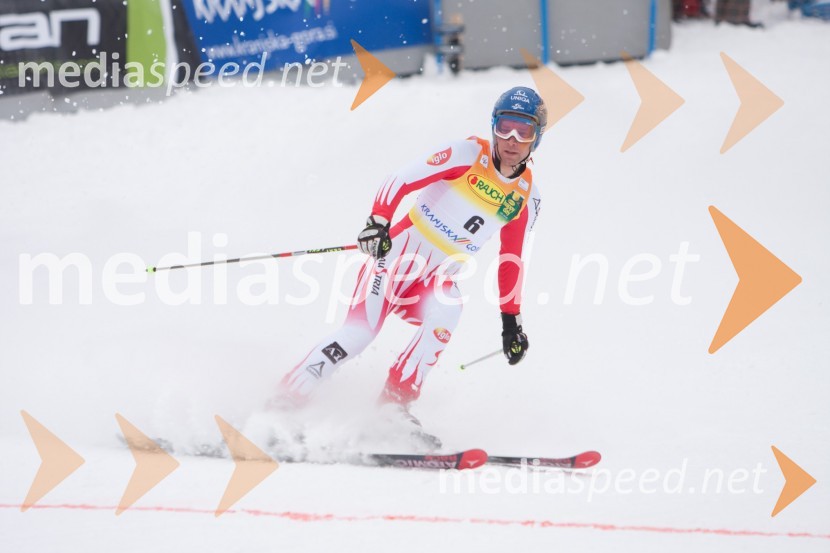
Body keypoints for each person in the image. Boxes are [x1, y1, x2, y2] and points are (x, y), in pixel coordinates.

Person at [277, 86, 546, 448]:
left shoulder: (527, 197)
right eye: (504, 127)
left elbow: (511, 259)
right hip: (393, 263)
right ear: (493, 126)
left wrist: (511, 322)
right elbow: (399, 179)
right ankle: (285, 400)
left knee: (449, 308)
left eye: (523, 131)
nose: (511, 140)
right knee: (357, 336)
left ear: (536, 137)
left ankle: (392, 410)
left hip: (431, 282)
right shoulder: (467, 153)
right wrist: (378, 222)